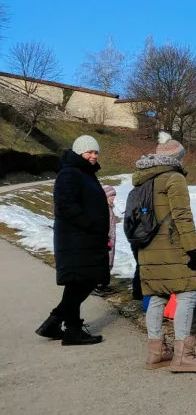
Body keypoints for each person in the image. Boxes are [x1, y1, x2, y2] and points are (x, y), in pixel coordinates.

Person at [133, 132, 196, 372]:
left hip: (148, 248)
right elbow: (182, 215)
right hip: (172, 246)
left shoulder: (142, 179)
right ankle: (183, 355)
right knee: (187, 293)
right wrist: (192, 248)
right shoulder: (174, 178)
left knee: (157, 296)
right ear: (176, 158)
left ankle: (156, 353)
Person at [36, 135, 110, 346]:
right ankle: (70, 329)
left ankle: (57, 324)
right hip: (76, 239)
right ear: (79, 152)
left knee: (81, 282)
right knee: (81, 281)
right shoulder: (70, 173)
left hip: (86, 238)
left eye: (96, 152)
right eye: (89, 152)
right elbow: (65, 204)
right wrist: (89, 225)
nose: (93, 156)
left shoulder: (84, 173)